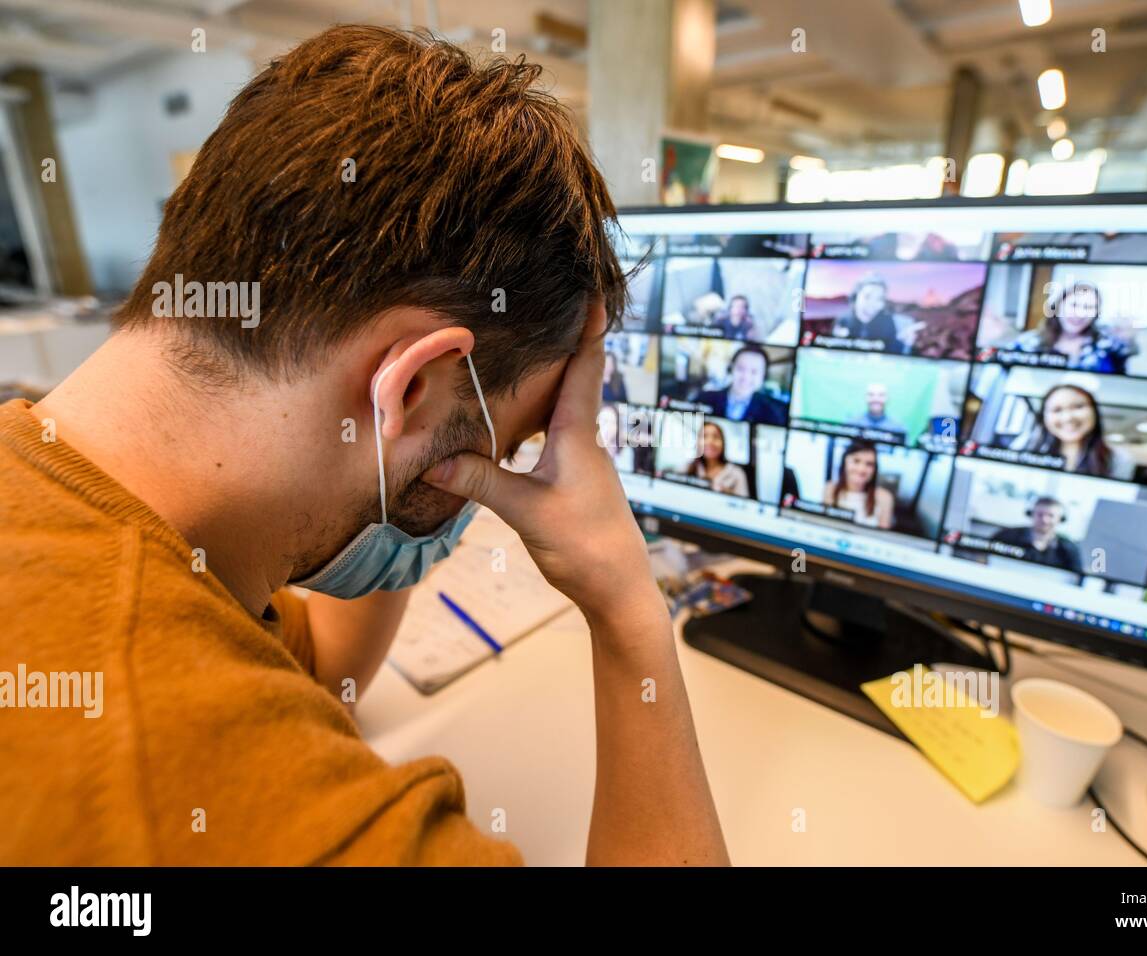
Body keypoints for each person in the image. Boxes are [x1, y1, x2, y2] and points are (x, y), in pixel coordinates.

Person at [0, 26, 727, 867]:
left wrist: (396, 487)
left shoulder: (72, 493)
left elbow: (319, 666)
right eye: (505, 450)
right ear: (408, 388)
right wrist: (628, 607)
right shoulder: (252, 801)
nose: (484, 488)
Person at [1009, 281, 1133, 374]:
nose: (1080, 314)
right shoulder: (1028, 343)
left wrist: (1129, 337)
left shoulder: (1108, 345)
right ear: (1059, 306)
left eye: (1089, 307)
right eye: (1074, 305)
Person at [1027, 383, 1135, 480]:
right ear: (1044, 417)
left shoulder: (1119, 460)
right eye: (1057, 410)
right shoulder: (1027, 449)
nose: (1068, 418)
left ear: (1094, 411)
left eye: (1078, 407)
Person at [694, 345, 788, 425]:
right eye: (741, 368)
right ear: (731, 369)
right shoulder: (704, 399)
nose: (746, 377)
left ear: (763, 377)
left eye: (754, 372)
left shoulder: (773, 414)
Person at [830, 274, 924, 354]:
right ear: (855, 297)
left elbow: (892, 354)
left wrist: (905, 345)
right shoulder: (843, 320)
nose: (873, 304)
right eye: (867, 296)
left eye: (879, 299)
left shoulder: (889, 322)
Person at [991, 497, 1083, 574]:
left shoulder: (1069, 549)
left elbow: (1077, 577)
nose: (1045, 520)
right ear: (1031, 514)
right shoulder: (1006, 536)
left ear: (1060, 519)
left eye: (1051, 516)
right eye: (1040, 514)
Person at [823, 440, 894, 529]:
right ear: (844, 462)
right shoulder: (830, 488)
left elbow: (884, 534)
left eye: (869, 464)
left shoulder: (884, 497)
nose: (862, 469)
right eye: (856, 461)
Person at [681, 421, 748, 497]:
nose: (710, 442)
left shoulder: (737, 473)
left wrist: (727, 493)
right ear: (697, 442)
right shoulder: (688, 467)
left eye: (716, 437)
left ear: (723, 443)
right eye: (704, 436)